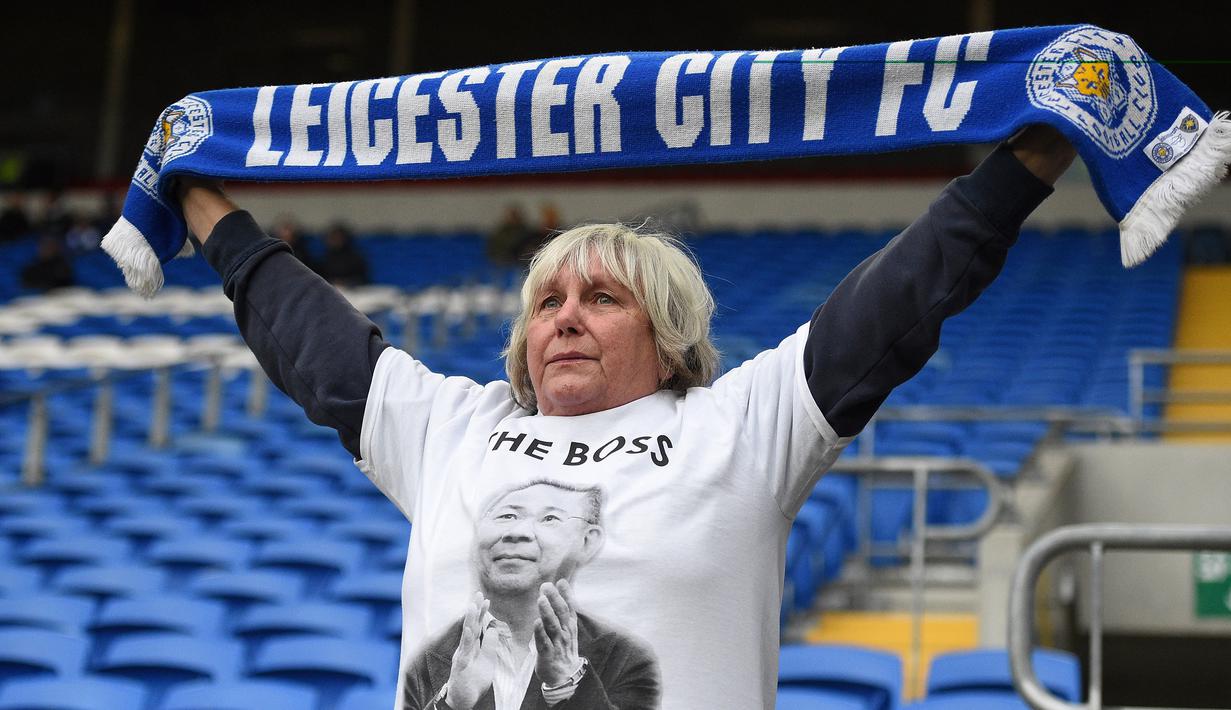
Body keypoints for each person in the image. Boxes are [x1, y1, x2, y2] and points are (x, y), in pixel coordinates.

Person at [176, 125, 1075, 710]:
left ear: (671, 338)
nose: (562, 317)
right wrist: (197, 198)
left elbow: (909, 289)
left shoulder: (740, 427)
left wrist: (1033, 155)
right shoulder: (452, 427)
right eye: (545, 301)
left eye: (601, 297)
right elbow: (307, 335)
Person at [402, 479, 660, 709]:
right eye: (506, 516)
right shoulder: (429, 659)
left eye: (549, 519)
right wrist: (454, 704)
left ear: (588, 541)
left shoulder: (627, 659)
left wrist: (566, 687)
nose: (517, 532)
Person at [316, 223, 370, 287]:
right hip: (329, 289)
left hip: (352, 291)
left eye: (338, 237)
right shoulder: (323, 258)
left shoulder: (355, 257)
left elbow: (362, 279)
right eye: (332, 237)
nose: (335, 240)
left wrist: (345, 282)